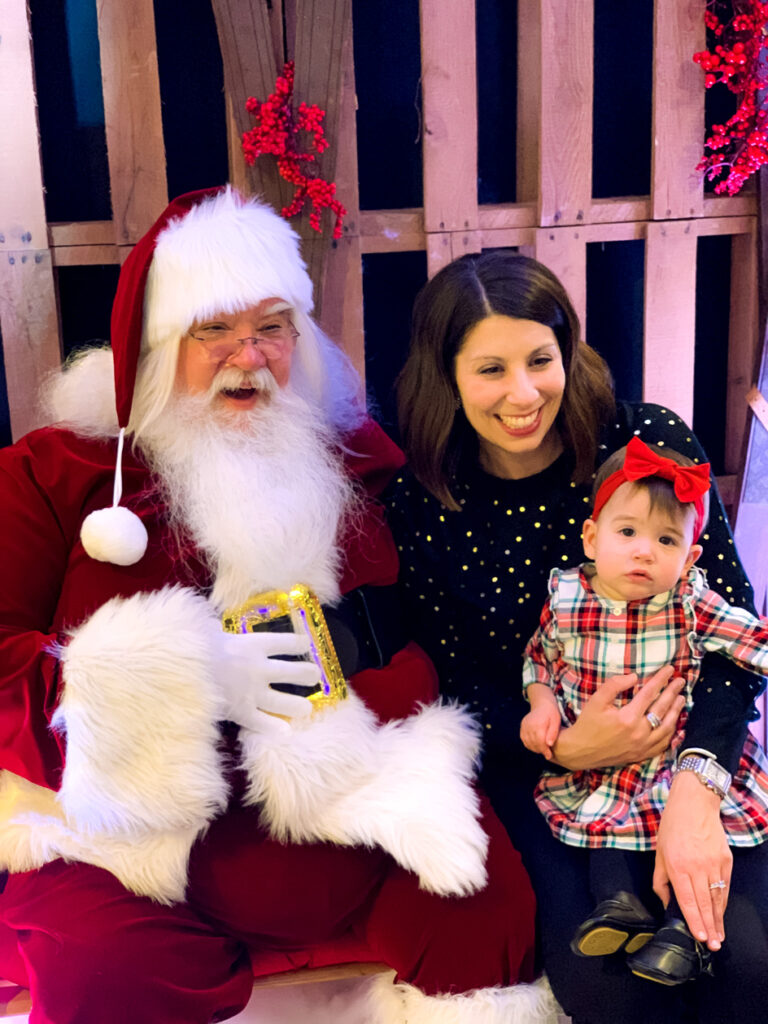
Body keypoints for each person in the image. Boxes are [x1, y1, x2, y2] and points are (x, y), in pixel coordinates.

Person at [0, 189, 557, 1024]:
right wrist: (178, 677)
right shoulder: (57, 474)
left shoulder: (361, 459)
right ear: (154, 348)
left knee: (488, 922)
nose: (248, 355)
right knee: (100, 968)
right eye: (213, 329)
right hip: (127, 835)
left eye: (271, 327)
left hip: (362, 803)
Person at [385, 250, 768, 1023]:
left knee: (744, 964)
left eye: (540, 360)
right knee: (612, 992)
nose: (524, 394)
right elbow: (448, 681)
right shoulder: (424, 499)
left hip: (694, 755)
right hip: (548, 774)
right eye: (490, 369)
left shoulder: (646, 444)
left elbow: (733, 634)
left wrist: (697, 791)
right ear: (446, 376)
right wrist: (564, 743)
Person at [520, 437, 768, 986]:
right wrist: (540, 707)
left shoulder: (689, 601)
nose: (643, 551)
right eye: (627, 532)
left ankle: (685, 934)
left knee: (686, 847)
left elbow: (750, 639)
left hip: (676, 759)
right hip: (602, 762)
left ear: (690, 559)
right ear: (592, 537)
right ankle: (620, 908)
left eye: (666, 540)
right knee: (606, 830)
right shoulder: (564, 597)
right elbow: (539, 658)